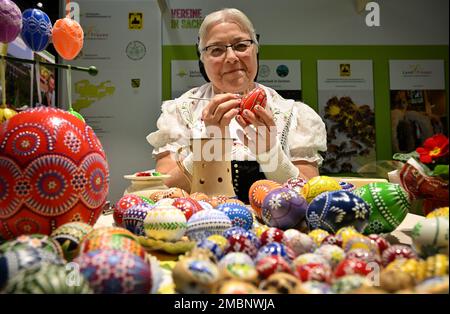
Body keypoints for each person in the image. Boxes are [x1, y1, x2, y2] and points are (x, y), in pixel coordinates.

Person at [147, 8, 327, 202]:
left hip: (273, 229)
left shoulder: (292, 114)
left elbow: (311, 197)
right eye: (216, 49)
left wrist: (270, 153)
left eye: (241, 45)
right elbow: (163, 191)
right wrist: (209, 145)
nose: (232, 57)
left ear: (256, 49)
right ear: (202, 59)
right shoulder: (180, 112)